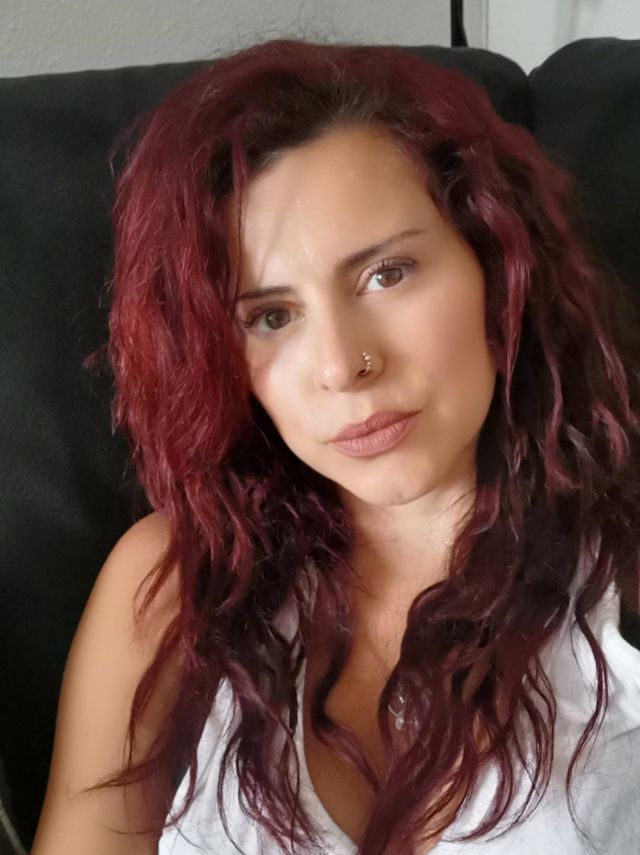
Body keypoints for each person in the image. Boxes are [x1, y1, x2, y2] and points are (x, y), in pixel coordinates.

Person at [31, 37, 640, 855]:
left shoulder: (622, 568)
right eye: (271, 315)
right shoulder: (168, 588)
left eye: (387, 273)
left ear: (497, 266)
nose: (342, 364)